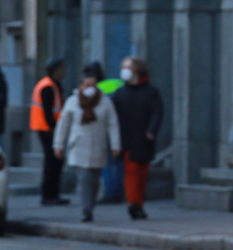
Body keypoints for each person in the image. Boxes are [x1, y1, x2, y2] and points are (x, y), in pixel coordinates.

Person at [54, 73, 121, 222]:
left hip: (98, 145)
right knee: (84, 179)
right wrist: (58, 145)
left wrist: (115, 145)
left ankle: (91, 204)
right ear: (80, 86)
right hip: (78, 146)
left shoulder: (105, 102)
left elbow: (112, 124)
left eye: (93, 85)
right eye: (87, 85)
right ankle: (86, 210)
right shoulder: (72, 102)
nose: (90, 88)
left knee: (95, 181)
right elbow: (63, 125)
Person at [111, 56, 164, 219]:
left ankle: (139, 203)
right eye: (123, 67)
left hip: (144, 138)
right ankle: (133, 203)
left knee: (142, 172)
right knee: (132, 171)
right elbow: (112, 116)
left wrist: (152, 130)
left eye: (128, 67)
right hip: (127, 138)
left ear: (138, 70)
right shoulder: (120, 93)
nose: (124, 71)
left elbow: (158, 112)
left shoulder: (150, 91)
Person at [88, 60, 126, 203]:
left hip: (104, 130)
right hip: (122, 127)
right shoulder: (117, 83)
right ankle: (119, 190)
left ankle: (111, 193)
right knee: (119, 163)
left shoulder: (95, 90)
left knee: (108, 164)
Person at [31, 57, 68, 205]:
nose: (64, 71)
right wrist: (53, 128)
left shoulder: (52, 85)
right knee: (52, 163)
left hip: (49, 129)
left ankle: (53, 195)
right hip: (48, 130)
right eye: (62, 68)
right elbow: (48, 111)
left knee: (55, 163)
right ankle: (49, 196)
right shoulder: (48, 86)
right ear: (56, 70)